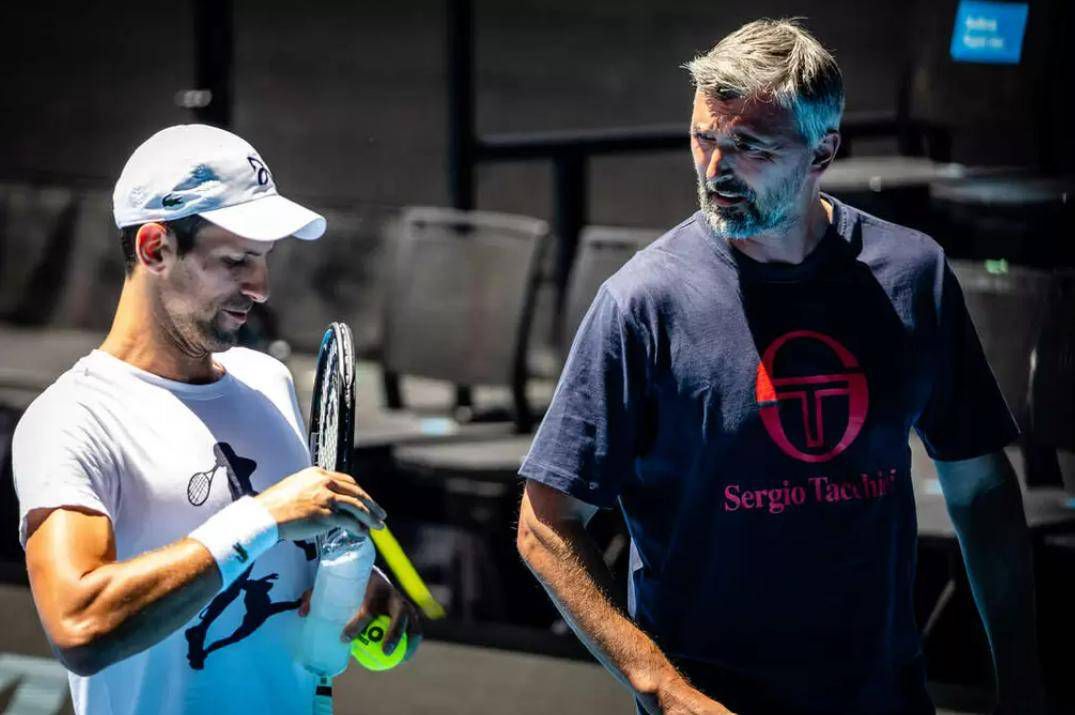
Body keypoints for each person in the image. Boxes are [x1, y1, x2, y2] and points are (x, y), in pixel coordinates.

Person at [516, 19, 1046, 715]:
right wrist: (664, 689)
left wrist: (1023, 679)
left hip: (882, 695)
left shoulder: (910, 275)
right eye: (704, 137)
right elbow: (544, 526)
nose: (714, 169)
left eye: (749, 147)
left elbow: (979, 490)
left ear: (823, 149)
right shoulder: (641, 303)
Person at [13, 124, 420, 714]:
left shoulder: (268, 380)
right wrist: (262, 519)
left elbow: (285, 556)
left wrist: (366, 595)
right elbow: (80, 626)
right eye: (237, 261)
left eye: (264, 261)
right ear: (155, 248)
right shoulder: (71, 420)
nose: (260, 287)